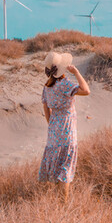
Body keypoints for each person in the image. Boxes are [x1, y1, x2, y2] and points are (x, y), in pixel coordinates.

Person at [38, 50, 90, 199]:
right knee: (66, 168)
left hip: (54, 131)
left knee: (54, 166)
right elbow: (86, 90)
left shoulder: (47, 87)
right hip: (67, 130)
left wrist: (51, 124)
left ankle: (53, 199)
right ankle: (63, 203)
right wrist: (77, 73)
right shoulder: (64, 84)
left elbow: (45, 107)